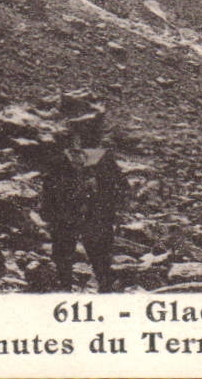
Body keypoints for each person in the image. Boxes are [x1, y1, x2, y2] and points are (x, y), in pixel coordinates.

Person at [16, 112, 131, 292]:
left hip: (65, 217)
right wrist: (112, 210)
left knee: (63, 258)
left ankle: (65, 290)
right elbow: (122, 189)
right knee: (101, 259)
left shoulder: (62, 160)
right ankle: (105, 290)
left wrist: (48, 211)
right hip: (97, 218)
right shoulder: (106, 161)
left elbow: (49, 188)